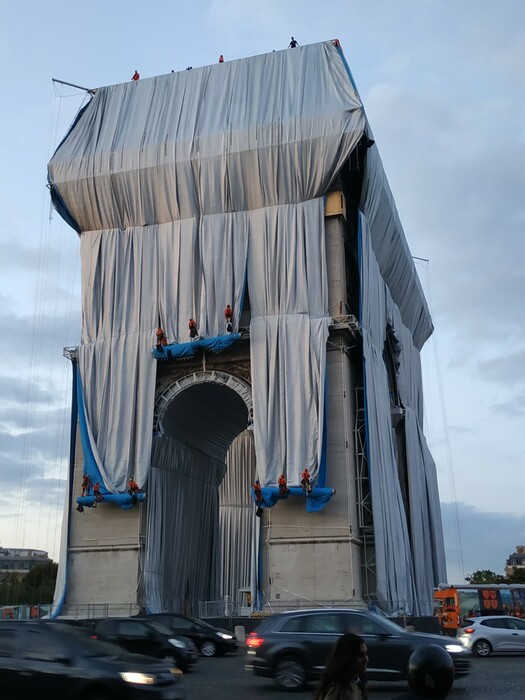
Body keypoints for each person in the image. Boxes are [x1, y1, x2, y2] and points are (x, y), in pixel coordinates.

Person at [314, 633, 368, 700]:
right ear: (348, 658)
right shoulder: (341, 689)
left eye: (366, 654)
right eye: (360, 655)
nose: (366, 659)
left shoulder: (354, 680)